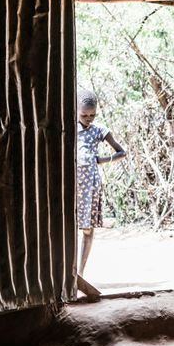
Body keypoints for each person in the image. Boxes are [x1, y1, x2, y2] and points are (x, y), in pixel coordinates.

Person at [76, 89, 127, 301]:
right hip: (73, 184)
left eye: (92, 115)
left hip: (91, 186)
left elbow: (121, 152)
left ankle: (81, 273)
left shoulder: (99, 130)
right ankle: (71, 276)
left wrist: (100, 160)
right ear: (76, 111)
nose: (88, 119)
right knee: (70, 227)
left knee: (87, 230)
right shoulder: (69, 130)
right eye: (84, 115)